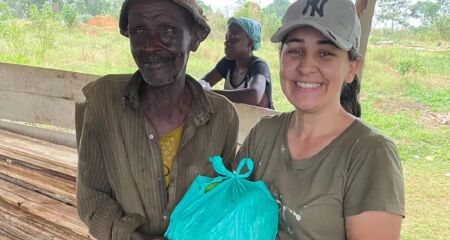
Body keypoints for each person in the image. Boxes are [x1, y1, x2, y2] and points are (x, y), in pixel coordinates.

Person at [236, 0, 405, 239]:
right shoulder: (263, 133)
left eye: (325, 53)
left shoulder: (370, 154)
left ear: (351, 68)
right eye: (295, 51)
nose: (306, 66)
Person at [75, 0, 239, 239]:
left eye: (167, 30)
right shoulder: (103, 101)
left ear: (194, 38)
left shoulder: (223, 117)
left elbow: (221, 201)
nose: (150, 46)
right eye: (139, 31)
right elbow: (92, 198)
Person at [200, 17, 274, 109]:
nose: (226, 43)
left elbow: (254, 96)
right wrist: (203, 90)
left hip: (262, 122)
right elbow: (201, 84)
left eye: (234, 39)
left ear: (250, 43)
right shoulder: (227, 63)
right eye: (226, 38)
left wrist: (209, 93)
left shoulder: (259, 66)